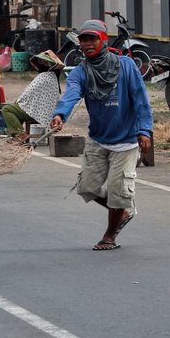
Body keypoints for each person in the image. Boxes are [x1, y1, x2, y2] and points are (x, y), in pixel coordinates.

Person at [50, 19, 153, 251]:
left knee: (118, 192)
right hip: (98, 139)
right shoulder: (80, 72)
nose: (86, 44)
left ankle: (109, 235)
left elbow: (141, 100)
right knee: (87, 187)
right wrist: (60, 115)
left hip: (126, 141)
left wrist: (145, 130)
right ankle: (123, 209)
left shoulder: (126, 66)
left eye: (92, 39)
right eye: (83, 40)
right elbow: (71, 94)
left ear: (103, 40)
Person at [2, 49, 64, 140]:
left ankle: (20, 135)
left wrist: (17, 102)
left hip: (36, 111)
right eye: (40, 61)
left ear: (50, 65)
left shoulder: (44, 76)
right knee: (16, 109)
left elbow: (27, 93)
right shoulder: (54, 77)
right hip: (44, 112)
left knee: (7, 109)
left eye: (44, 62)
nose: (41, 63)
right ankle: (17, 135)